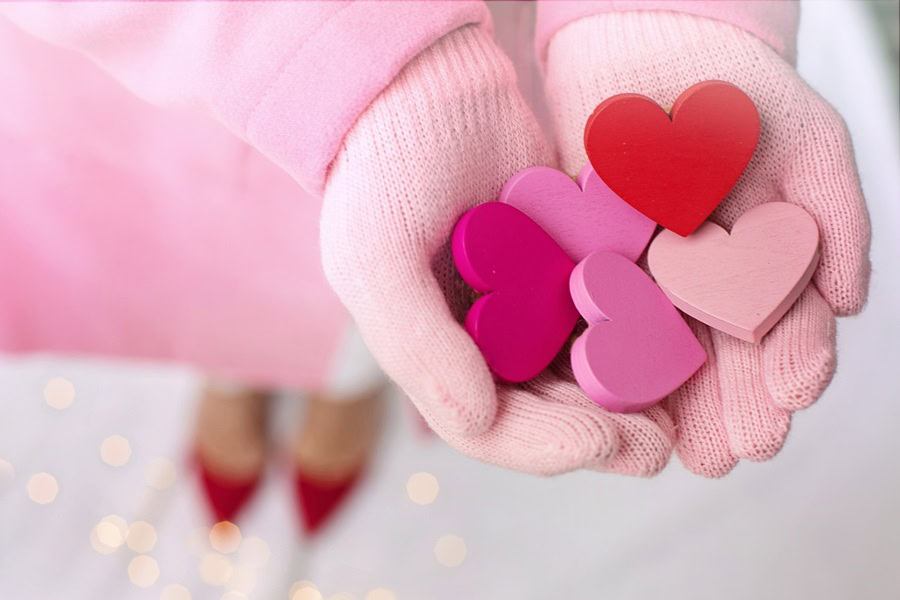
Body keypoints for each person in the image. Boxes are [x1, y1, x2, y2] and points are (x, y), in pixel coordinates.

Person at [0, 0, 869, 527]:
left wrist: (661, 13)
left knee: (421, 287)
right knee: (228, 275)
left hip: (524, 59)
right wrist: (348, 58)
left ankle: (346, 388)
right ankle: (241, 371)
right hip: (178, 68)